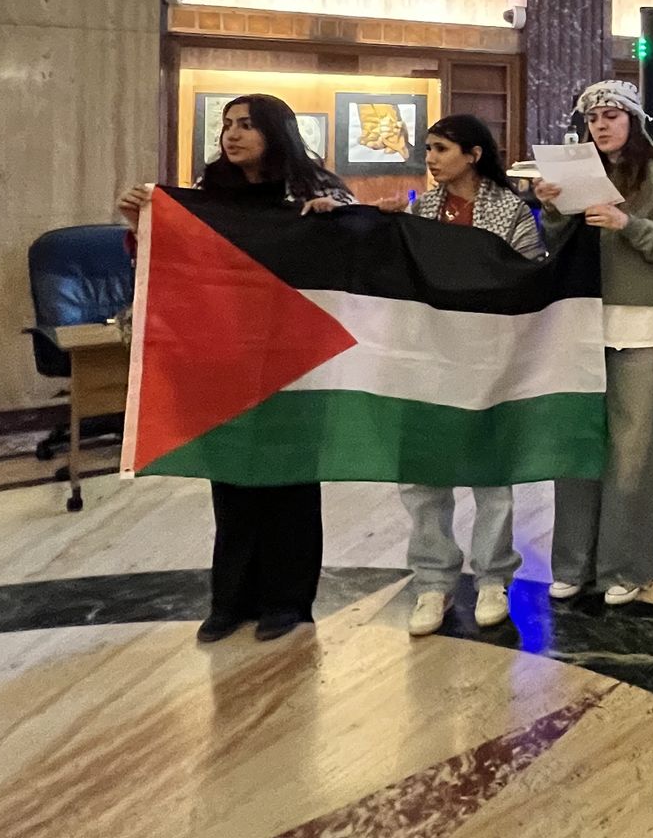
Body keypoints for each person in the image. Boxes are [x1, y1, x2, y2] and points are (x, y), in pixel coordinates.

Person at [116, 93, 354, 644]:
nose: (233, 133)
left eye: (247, 124)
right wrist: (140, 223)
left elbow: (354, 267)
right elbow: (169, 267)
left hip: (296, 361)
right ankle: (231, 601)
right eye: (227, 124)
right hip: (224, 359)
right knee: (232, 481)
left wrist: (335, 226)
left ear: (276, 132)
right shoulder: (207, 197)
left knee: (290, 482)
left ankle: (288, 601)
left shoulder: (319, 191)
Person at [540, 80, 653, 607]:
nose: (601, 125)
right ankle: (572, 562)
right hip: (584, 322)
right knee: (580, 444)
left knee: (634, 452)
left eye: (612, 115)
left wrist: (628, 224)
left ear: (633, 120)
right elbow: (558, 244)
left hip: (643, 326)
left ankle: (625, 566)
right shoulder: (584, 176)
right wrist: (554, 209)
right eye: (593, 119)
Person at [391, 115, 542, 635]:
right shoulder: (421, 210)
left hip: (488, 356)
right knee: (424, 473)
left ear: (473, 154)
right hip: (429, 356)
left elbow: (531, 272)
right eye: (428, 149)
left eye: (441, 148)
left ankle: (493, 575)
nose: (430, 158)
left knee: (490, 472)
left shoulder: (510, 209)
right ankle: (432, 580)